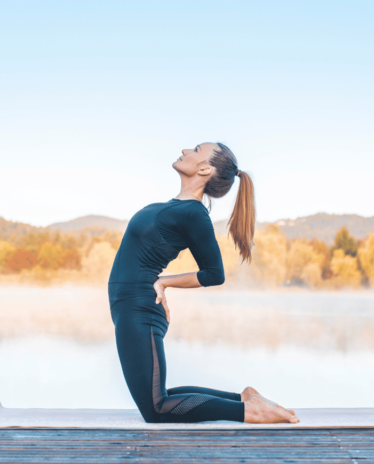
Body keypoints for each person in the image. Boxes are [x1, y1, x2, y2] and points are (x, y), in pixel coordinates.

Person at [107, 142, 299, 424]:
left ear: (204, 168)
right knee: (158, 397)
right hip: (131, 307)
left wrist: (165, 281)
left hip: (139, 308)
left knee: (155, 407)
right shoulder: (175, 207)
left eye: (195, 149)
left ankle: (249, 412)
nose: (185, 150)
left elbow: (214, 273)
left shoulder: (194, 214)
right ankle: (243, 399)